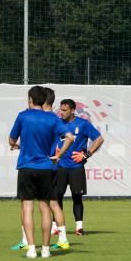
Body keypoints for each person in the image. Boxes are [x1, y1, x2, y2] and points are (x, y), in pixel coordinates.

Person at [9, 86, 74, 259]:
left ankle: (31, 248)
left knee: (27, 207)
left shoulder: (23, 116)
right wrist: (58, 155)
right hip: (46, 167)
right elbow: (70, 137)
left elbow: (11, 139)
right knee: (45, 208)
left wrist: (16, 144)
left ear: (31, 100)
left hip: (26, 166)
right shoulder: (52, 119)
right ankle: (45, 249)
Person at [54, 98, 105, 236]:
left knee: (77, 196)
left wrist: (86, 154)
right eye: (60, 110)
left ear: (72, 110)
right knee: (57, 196)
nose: (62, 113)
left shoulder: (83, 124)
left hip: (76, 166)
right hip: (59, 166)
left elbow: (99, 139)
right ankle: (56, 227)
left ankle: (79, 227)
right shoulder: (57, 123)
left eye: (64, 110)